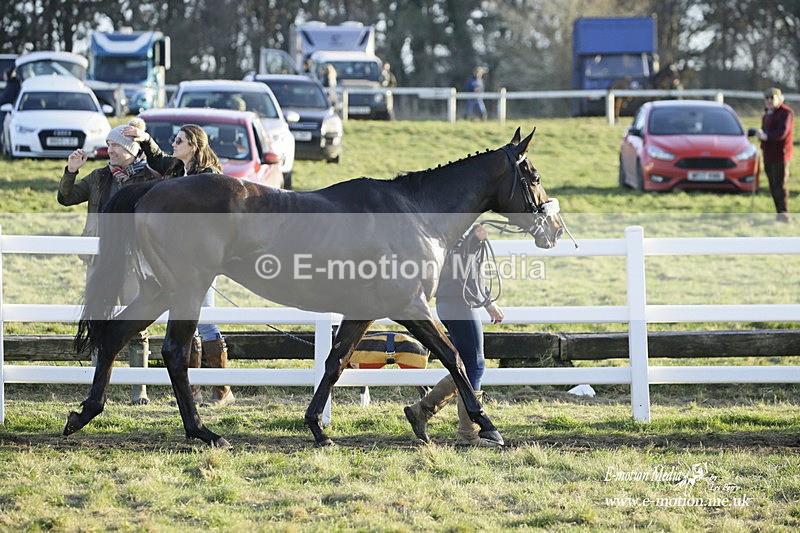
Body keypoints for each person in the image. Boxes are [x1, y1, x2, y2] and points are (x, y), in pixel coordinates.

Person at [123, 122, 235, 406]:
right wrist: (145, 138)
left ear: (194, 145)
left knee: (205, 320)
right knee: (191, 322)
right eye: (175, 140)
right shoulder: (177, 170)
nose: (174, 144)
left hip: (205, 259)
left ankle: (222, 390)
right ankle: (193, 391)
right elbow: (158, 158)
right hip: (183, 260)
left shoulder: (210, 176)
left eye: (180, 141)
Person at [58, 118, 162, 405]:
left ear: (131, 148)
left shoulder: (150, 179)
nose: (110, 149)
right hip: (98, 259)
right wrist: (71, 171)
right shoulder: (98, 176)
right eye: (108, 144)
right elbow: (66, 198)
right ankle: (96, 387)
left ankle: (139, 390)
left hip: (133, 260)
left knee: (137, 323)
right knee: (96, 318)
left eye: (115, 144)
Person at [404, 223, 504, 446]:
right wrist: (475, 241)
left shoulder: (448, 230)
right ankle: (467, 434)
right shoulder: (455, 234)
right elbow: (460, 268)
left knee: (467, 365)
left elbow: (468, 272)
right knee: (474, 366)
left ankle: (421, 411)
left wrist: (488, 303)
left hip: (452, 302)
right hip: (459, 303)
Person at [755, 87, 794, 222]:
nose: (769, 101)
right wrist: (761, 137)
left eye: (772, 98)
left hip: (780, 155)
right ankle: (779, 213)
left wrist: (766, 136)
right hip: (768, 155)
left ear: (778, 98)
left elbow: (782, 133)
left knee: (780, 185)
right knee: (772, 185)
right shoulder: (767, 115)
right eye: (767, 99)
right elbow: (766, 132)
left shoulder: (786, 113)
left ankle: (784, 214)